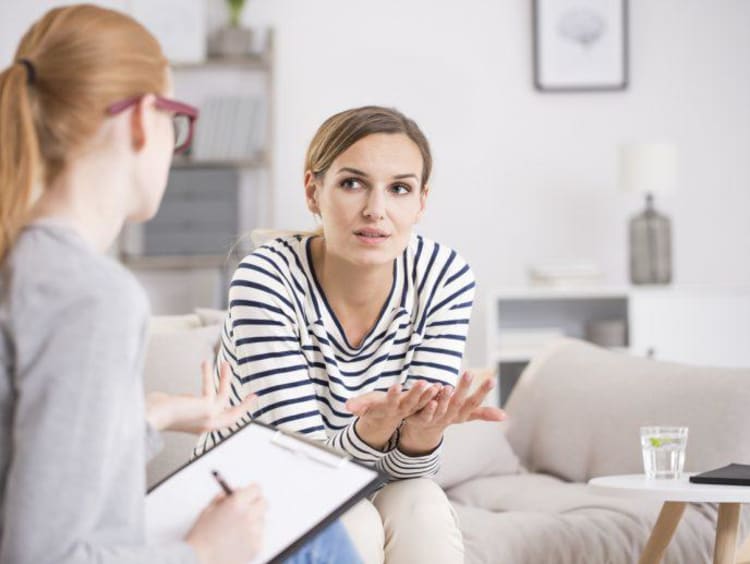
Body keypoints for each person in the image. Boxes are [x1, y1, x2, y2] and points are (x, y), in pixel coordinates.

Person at [0, 5, 359, 564]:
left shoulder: (24, 263)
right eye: (177, 119)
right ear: (145, 118)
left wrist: (154, 415)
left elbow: (30, 466)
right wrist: (204, 553)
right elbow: (41, 556)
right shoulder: (92, 296)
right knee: (315, 539)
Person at [195, 106, 506, 563]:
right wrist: (374, 431)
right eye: (352, 183)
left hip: (360, 477)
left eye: (399, 188)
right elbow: (303, 466)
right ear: (313, 191)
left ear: (421, 202)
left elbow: (411, 471)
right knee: (353, 521)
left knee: (423, 505)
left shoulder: (443, 276)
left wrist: (421, 435)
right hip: (248, 488)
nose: (375, 210)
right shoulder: (266, 277)